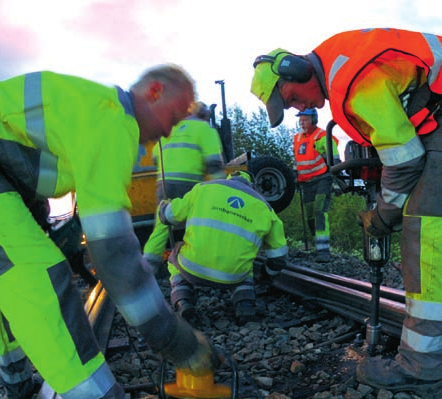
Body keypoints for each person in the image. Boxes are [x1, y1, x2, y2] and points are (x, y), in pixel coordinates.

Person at [0, 65, 216, 399]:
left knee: (11, 277)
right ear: (154, 92)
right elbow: (115, 257)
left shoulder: (97, 111)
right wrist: (176, 341)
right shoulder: (113, 122)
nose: (170, 131)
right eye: (174, 116)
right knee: (37, 280)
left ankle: (17, 383)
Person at [250, 27, 442, 397]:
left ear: (296, 71)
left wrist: (383, 216)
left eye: (290, 99)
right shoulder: (337, 63)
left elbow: (407, 160)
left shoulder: (351, 82)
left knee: (428, 225)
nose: (297, 108)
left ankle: (420, 366)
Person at [157, 171, 288, 321]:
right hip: (233, 276)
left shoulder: (204, 189)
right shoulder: (265, 208)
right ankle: (245, 305)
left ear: (229, 180)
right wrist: (266, 274)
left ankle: (183, 301)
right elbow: (279, 258)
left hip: (192, 268)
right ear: (252, 187)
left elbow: (169, 216)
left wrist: (164, 207)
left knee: (175, 257)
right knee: (247, 267)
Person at [143, 102, 226, 274]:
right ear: (204, 115)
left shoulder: (170, 129)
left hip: (163, 183)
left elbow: (155, 158)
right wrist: (222, 189)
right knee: (197, 223)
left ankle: (148, 266)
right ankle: (199, 264)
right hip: (188, 184)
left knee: (162, 224)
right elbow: (214, 163)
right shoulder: (204, 129)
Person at [292, 108, 339, 262]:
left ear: (314, 120)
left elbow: (335, 158)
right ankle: (316, 245)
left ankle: (323, 250)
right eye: (300, 120)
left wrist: (337, 176)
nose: (301, 122)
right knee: (310, 216)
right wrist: (294, 173)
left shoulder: (322, 136)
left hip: (322, 179)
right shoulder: (297, 138)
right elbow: (298, 159)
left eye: (305, 119)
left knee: (320, 211)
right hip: (306, 183)